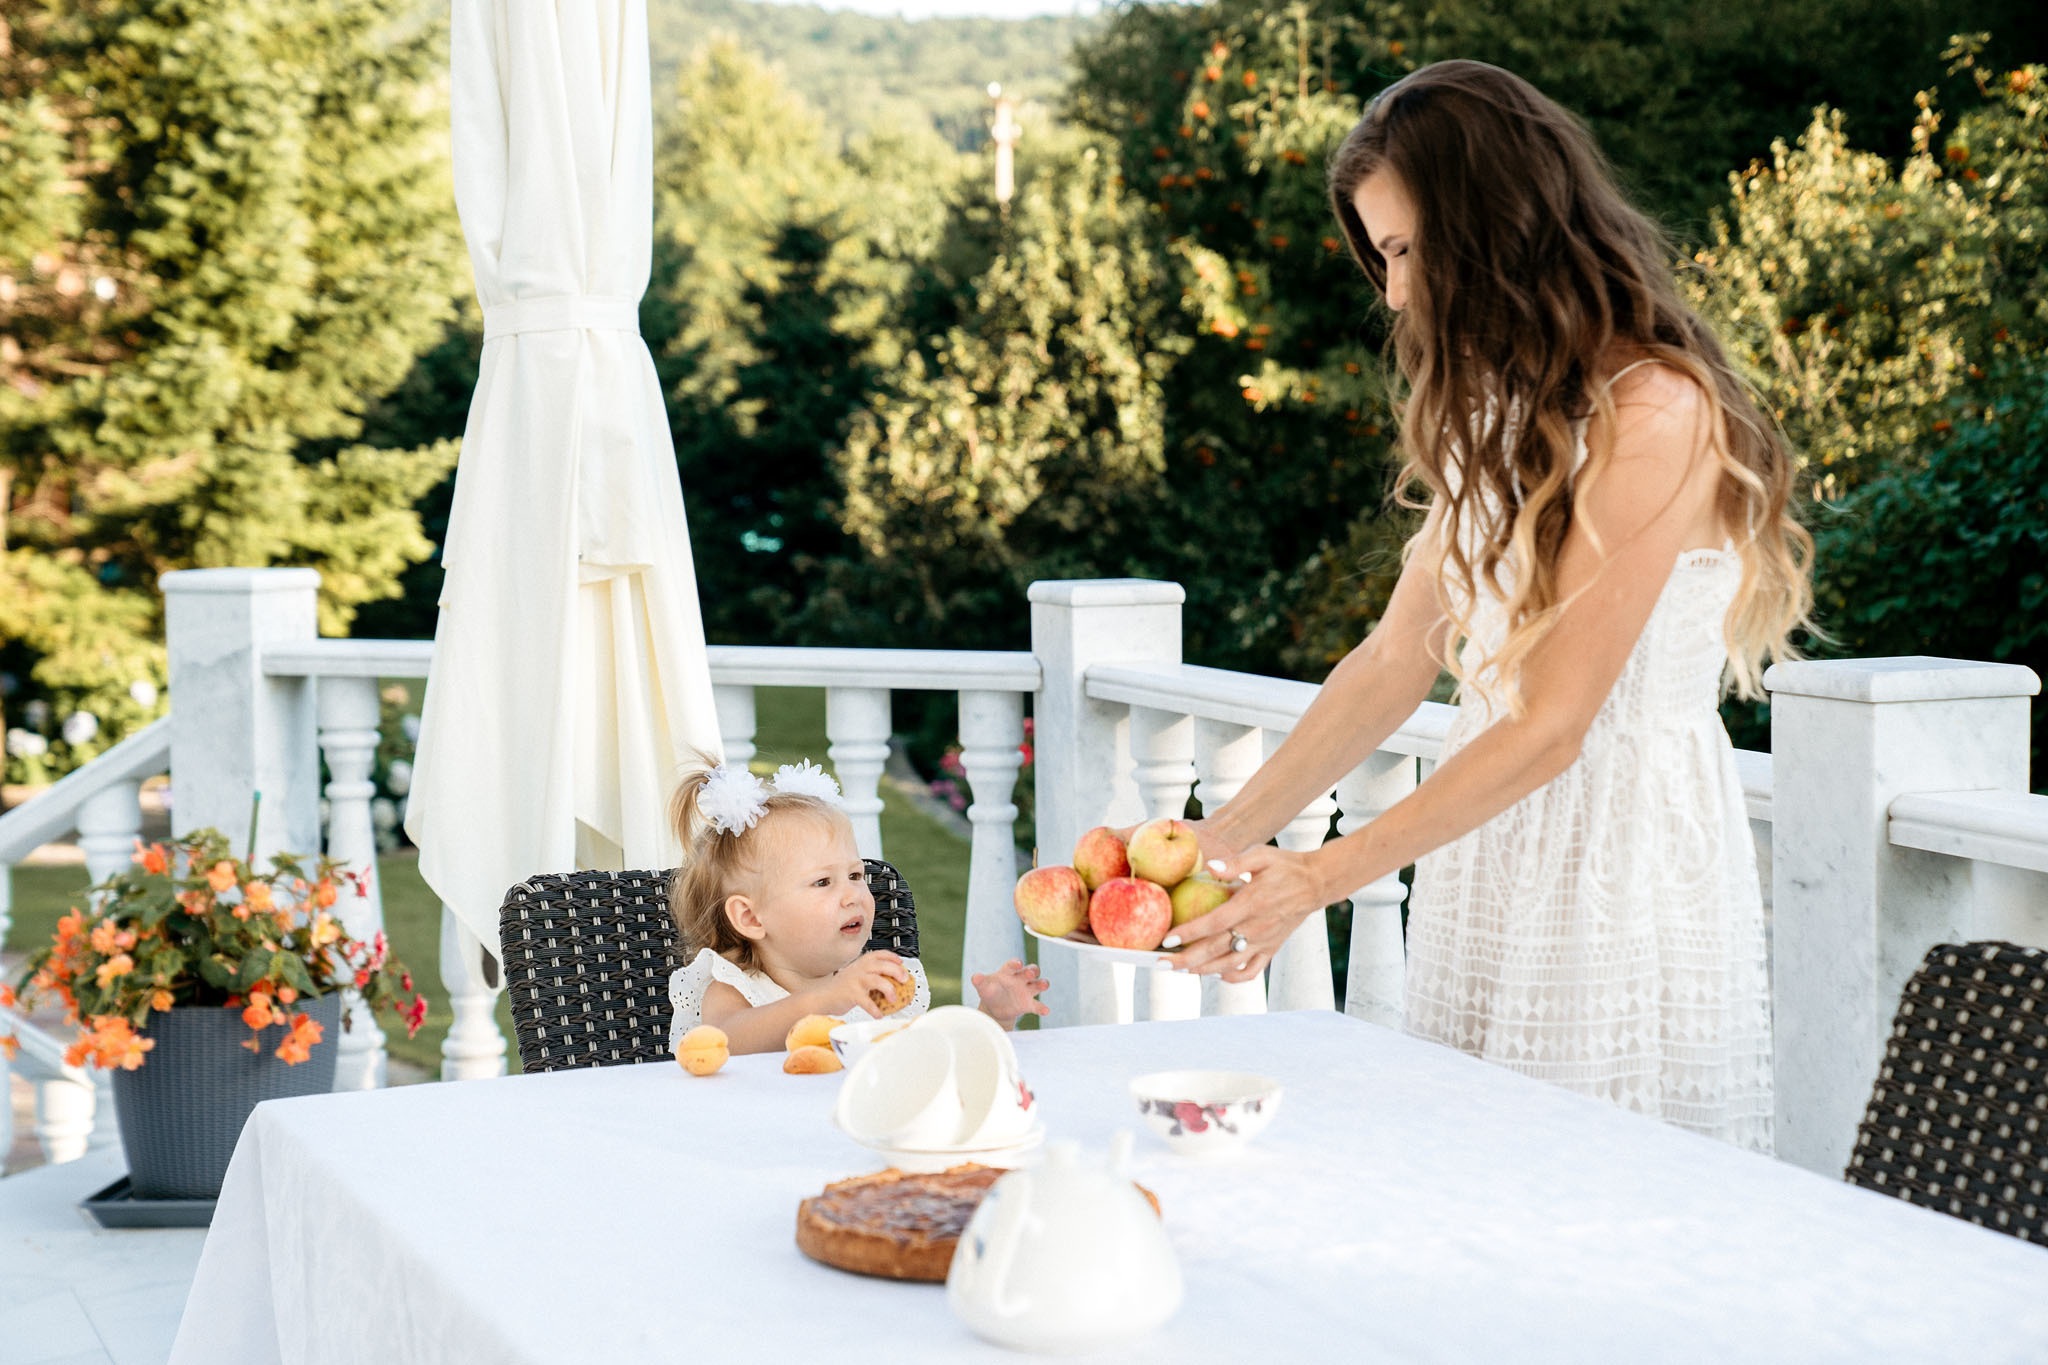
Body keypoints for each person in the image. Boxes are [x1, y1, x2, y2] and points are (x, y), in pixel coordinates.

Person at [1162, 60, 1812, 1151]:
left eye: (1406, 249)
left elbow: (1555, 724)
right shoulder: (1499, 408)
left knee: (1592, 1180)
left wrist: (1316, 878)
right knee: (1466, 1171)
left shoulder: (1656, 410)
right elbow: (1391, 660)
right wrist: (1215, 841)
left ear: (1495, 225)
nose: (1393, 293)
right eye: (1381, 257)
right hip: (1485, 838)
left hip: (1615, 860)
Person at [666, 758, 1048, 1053]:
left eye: (854, 874)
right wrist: (827, 999)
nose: (853, 895)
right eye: (822, 882)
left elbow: (932, 1059)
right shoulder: (735, 990)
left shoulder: (872, 988)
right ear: (750, 917)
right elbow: (725, 1042)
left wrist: (994, 1017)